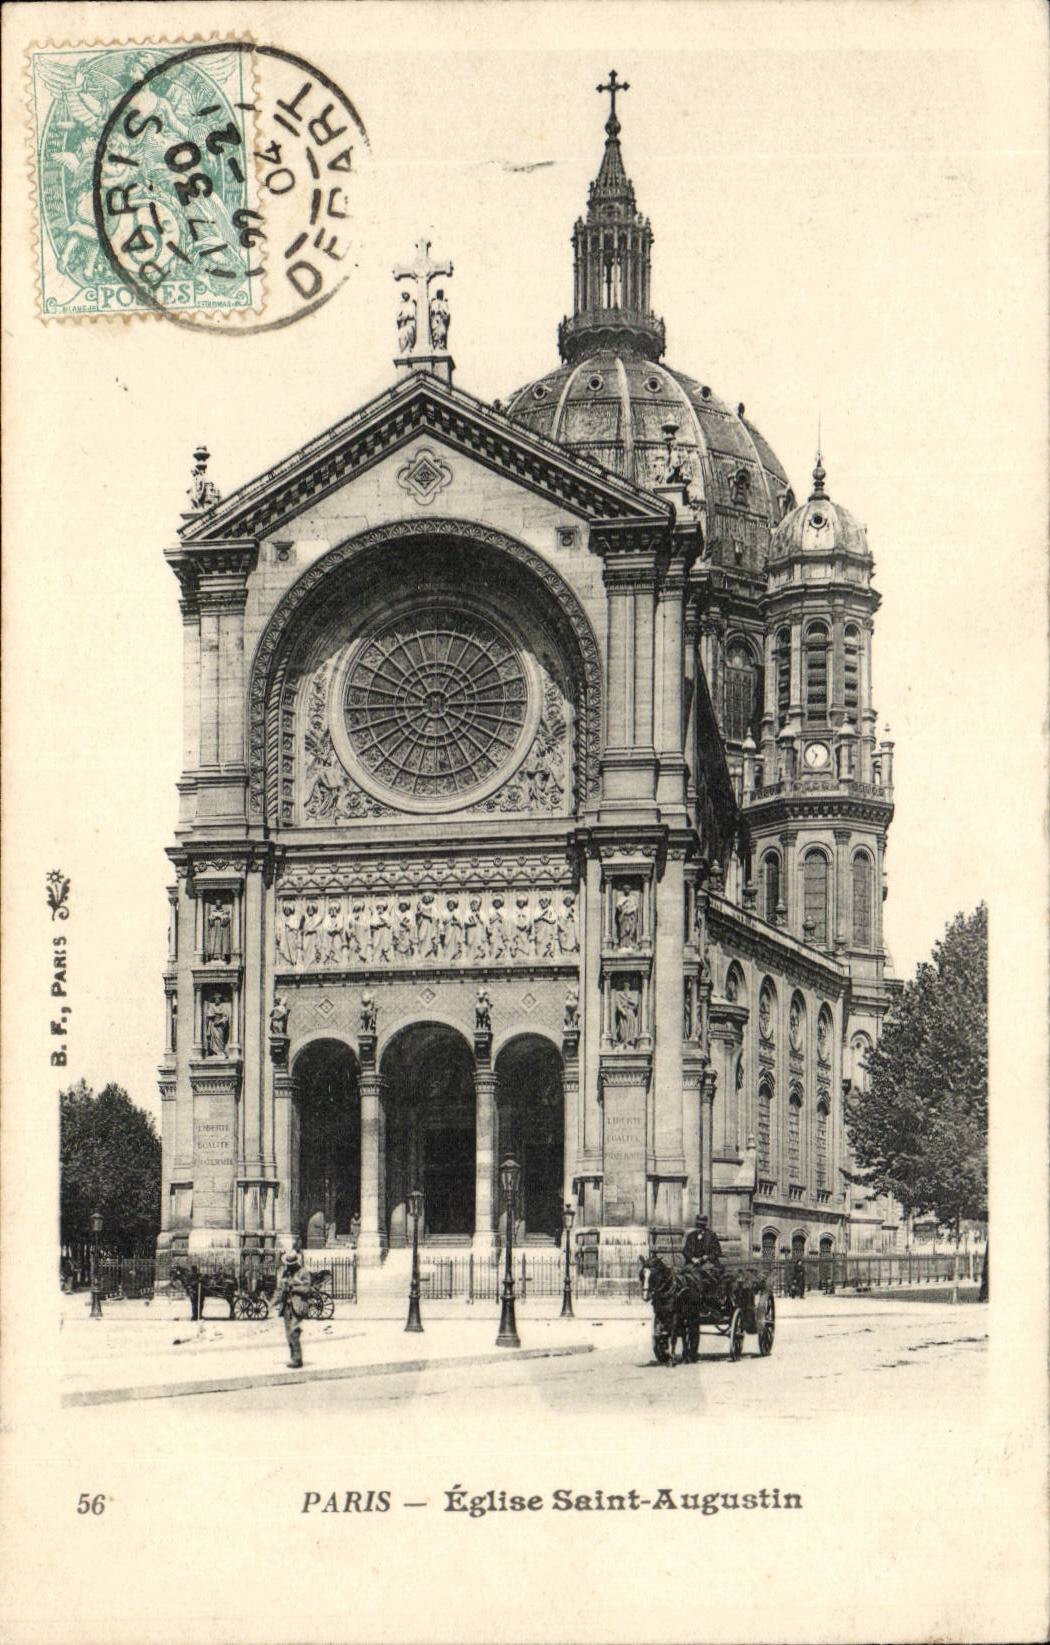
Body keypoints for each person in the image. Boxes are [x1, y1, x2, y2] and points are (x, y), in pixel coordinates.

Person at [270, 1249, 313, 1369]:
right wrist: (272, 1303)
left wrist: (293, 1287)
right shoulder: (285, 1273)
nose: (289, 1267)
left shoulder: (303, 1272)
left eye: (291, 1265)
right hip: (287, 1308)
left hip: (298, 1306)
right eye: (288, 1265)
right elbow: (279, 1290)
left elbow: (307, 1289)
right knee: (288, 1334)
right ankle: (293, 1357)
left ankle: (297, 1360)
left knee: (293, 1332)